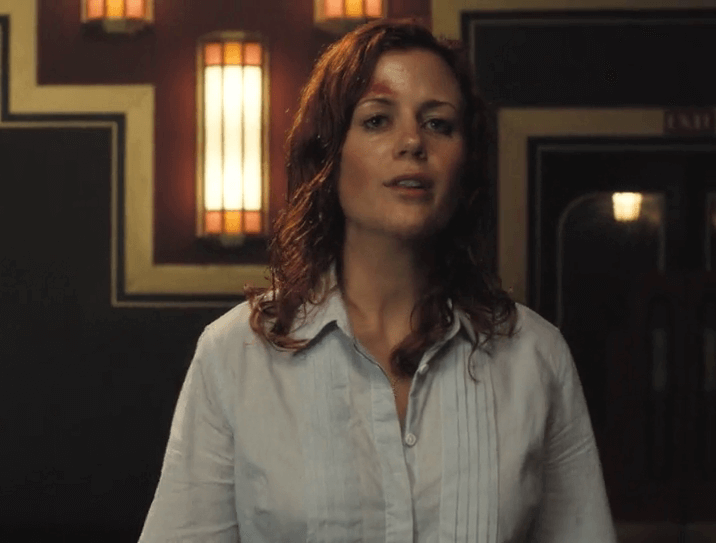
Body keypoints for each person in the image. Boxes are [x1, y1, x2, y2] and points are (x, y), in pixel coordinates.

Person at [139, 18, 616, 543]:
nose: (412, 141)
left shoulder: (535, 358)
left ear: (466, 163)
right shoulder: (235, 357)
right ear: (330, 154)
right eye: (377, 120)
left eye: (438, 124)